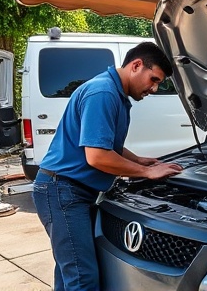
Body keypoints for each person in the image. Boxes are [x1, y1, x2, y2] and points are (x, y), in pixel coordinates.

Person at [32, 41, 183, 291]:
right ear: (136, 65)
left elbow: (103, 141)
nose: (155, 88)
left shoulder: (113, 92)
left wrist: (136, 160)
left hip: (70, 190)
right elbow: (98, 157)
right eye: (154, 79)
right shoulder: (103, 93)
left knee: (70, 272)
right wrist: (147, 172)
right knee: (83, 278)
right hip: (63, 191)